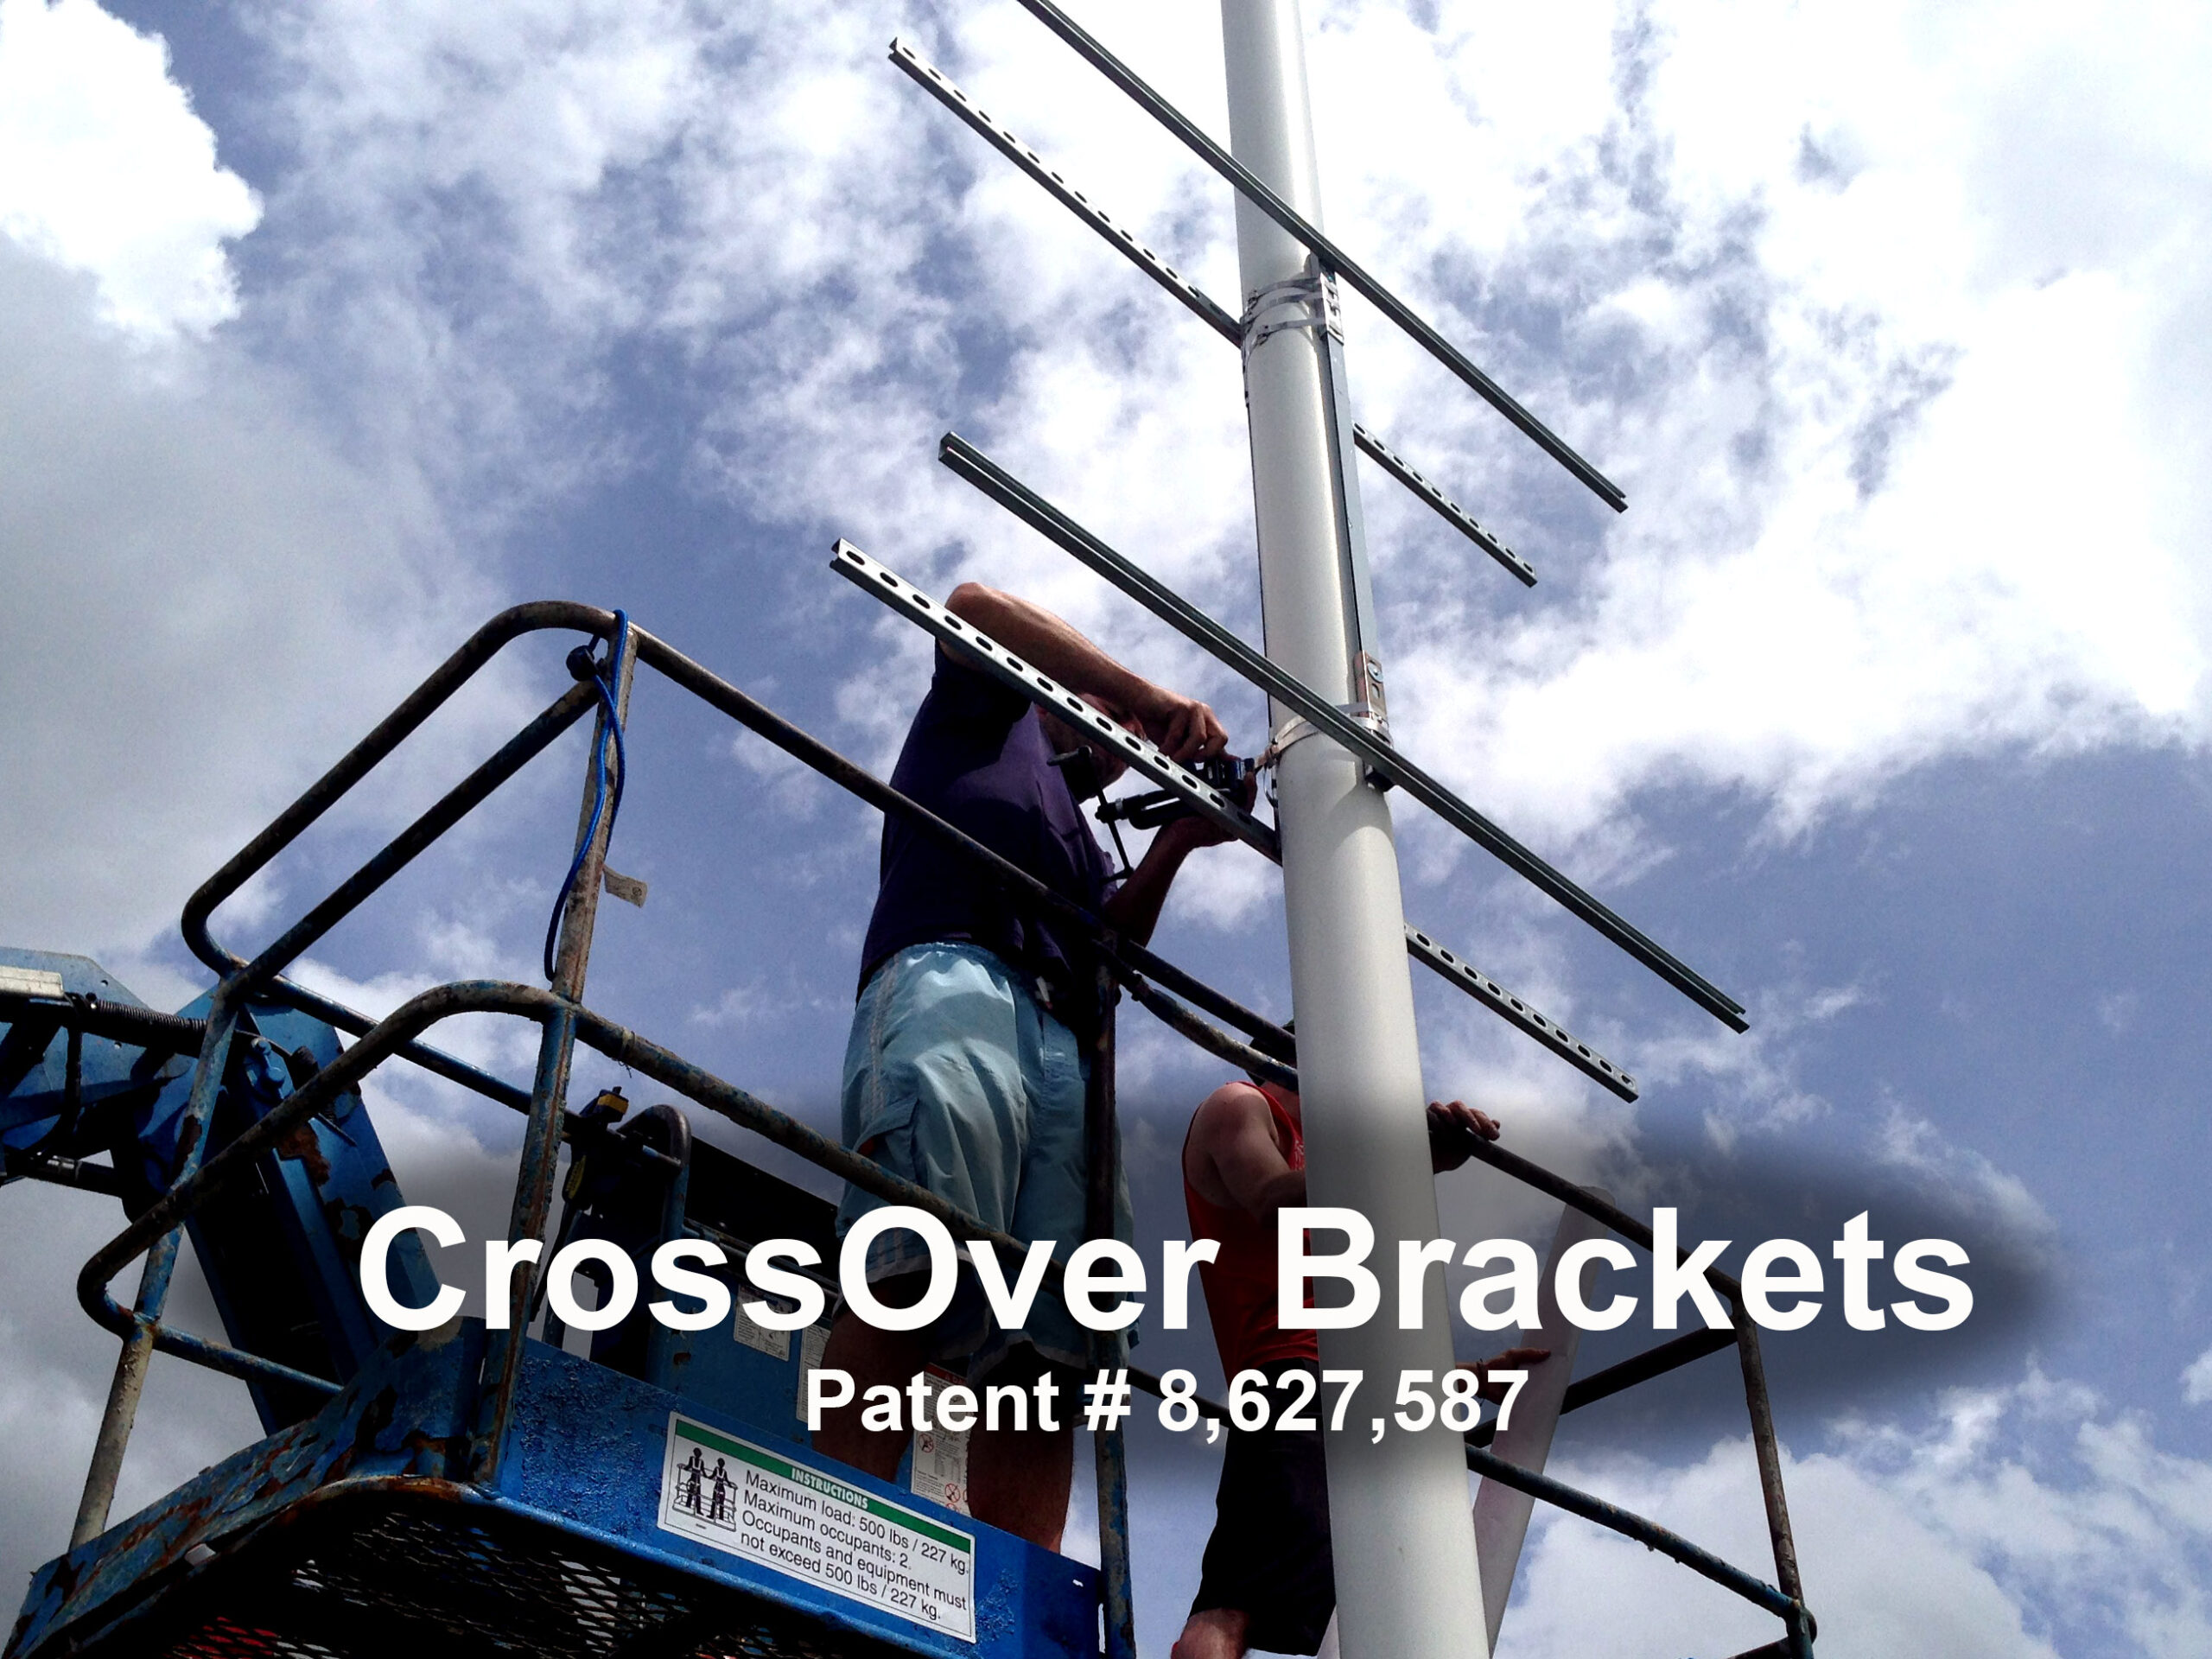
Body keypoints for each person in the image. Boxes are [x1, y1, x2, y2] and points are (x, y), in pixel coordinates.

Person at [818, 582, 1243, 1550]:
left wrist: (1180, 839)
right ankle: (834, 1537)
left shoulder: (1081, 841)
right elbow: (974, 604)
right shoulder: (988, 714)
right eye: (1106, 718)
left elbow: (1110, 949)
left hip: (1066, 1037)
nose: (1122, 738)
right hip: (955, 972)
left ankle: (1017, 1591)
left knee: (1054, 1339)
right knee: (921, 1254)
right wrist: (1150, 699)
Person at [1173, 1068, 1547, 1659]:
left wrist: (1475, 1376)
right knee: (1236, 1601)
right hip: (1292, 1381)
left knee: (1374, 1617)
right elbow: (1272, 1201)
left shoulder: (1336, 1170)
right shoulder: (1241, 1104)